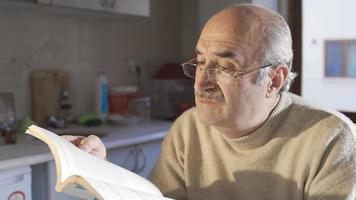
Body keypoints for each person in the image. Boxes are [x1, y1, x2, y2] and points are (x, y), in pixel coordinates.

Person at [66, 3, 356, 200]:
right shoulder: (188, 128)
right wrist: (101, 172)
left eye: (226, 68)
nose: (201, 82)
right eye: (201, 62)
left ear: (275, 80)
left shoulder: (332, 139)